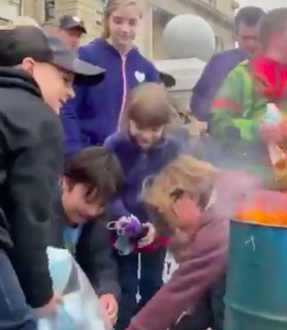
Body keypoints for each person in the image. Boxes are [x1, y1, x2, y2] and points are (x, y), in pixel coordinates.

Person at [0, 26, 105, 329]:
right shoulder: (36, 117)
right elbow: (28, 217)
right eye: (65, 80)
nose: (71, 93)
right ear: (29, 68)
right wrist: (40, 294)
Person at [210, 7, 287, 196]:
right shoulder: (240, 77)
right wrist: (257, 130)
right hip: (249, 191)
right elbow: (217, 124)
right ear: (277, 37)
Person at [127, 155, 259, 330]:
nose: (173, 226)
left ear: (189, 196)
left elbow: (179, 290)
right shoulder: (226, 209)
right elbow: (204, 303)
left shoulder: (219, 228)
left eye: (170, 216)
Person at [104, 83, 185, 330]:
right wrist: (122, 217)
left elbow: (176, 194)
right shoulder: (114, 146)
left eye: (155, 129)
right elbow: (109, 188)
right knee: (125, 286)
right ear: (129, 120)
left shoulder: (174, 150)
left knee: (152, 283)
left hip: (157, 229)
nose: (147, 136)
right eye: (140, 127)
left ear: (165, 126)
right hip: (123, 230)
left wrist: (159, 226)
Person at [61, 0, 162, 159]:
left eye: (132, 23)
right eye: (118, 21)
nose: (125, 29)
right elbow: (68, 108)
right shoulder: (86, 57)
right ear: (107, 19)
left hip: (130, 162)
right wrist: (74, 153)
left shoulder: (147, 69)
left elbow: (158, 117)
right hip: (90, 157)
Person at [49, 146, 123, 327]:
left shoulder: (96, 220)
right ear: (66, 183)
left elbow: (102, 262)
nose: (92, 211)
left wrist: (108, 293)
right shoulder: (40, 214)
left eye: (101, 205)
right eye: (88, 200)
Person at [190, 6, 266, 122]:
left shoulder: (282, 66)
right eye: (245, 38)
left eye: (255, 38)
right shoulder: (218, 63)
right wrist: (215, 115)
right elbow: (198, 98)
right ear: (235, 36)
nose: (250, 44)